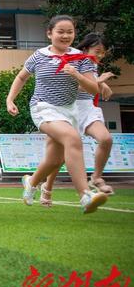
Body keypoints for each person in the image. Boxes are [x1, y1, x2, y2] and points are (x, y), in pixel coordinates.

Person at [6, 15, 107, 214]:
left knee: (54, 160)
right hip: (43, 108)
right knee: (72, 138)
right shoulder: (39, 55)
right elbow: (21, 77)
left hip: (69, 111)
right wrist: (10, 99)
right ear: (49, 33)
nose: (65, 35)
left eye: (70, 32)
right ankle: (85, 195)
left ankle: (31, 182)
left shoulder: (81, 58)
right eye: (60, 31)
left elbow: (94, 89)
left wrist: (77, 75)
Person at [40, 33, 116, 206]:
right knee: (57, 157)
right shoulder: (75, 59)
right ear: (85, 48)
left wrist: (100, 83)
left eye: (103, 53)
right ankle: (47, 188)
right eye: (97, 51)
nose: (100, 55)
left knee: (106, 139)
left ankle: (96, 178)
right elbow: (80, 85)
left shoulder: (91, 64)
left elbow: (92, 83)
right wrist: (101, 82)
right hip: (67, 108)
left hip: (88, 108)